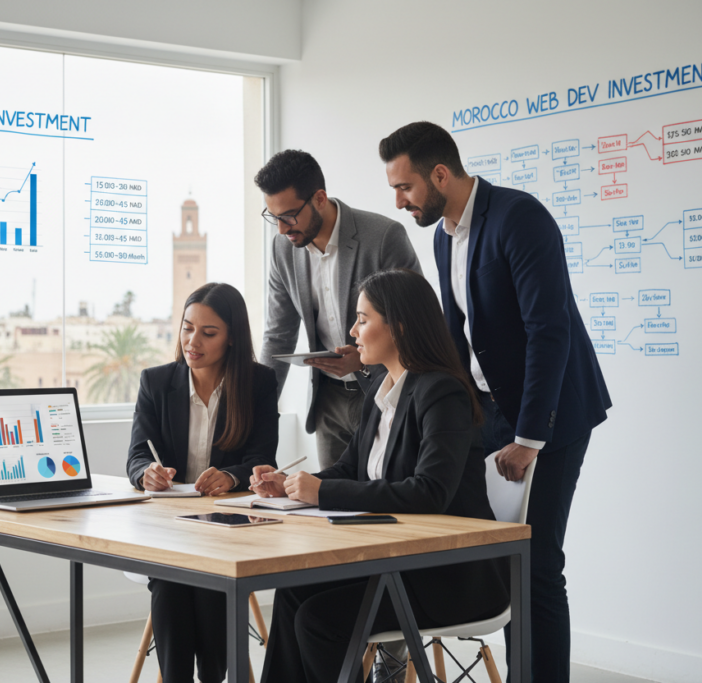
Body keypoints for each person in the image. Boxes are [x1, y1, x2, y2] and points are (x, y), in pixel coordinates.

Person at [379, 121, 612, 682]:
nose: (398, 200)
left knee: (535, 564)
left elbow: (548, 330)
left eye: (404, 187)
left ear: (440, 174)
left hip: (550, 412)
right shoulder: (441, 236)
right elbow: (458, 334)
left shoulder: (518, 217)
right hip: (488, 409)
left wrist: (530, 438)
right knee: (500, 559)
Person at [252, 268, 509, 683]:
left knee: (320, 620)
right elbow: (351, 469)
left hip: (450, 575)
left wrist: (323, 492)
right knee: (293, 593)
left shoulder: (443, 392)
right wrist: (290, 486)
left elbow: (429, 493)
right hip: (398, 562)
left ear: (399, 325)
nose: (353, 331)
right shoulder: (381, 389)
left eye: (363, 318)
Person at [126, 282, 279, 683]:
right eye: (187, 328)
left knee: (213, 582)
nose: (193, 341)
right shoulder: (156, 382)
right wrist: (147, 473)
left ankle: (212, 676)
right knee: (172, 579)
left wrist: (230, 476)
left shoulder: (259, 383)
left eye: (208, 333)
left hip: (228, 529)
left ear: (232, 338)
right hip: (169, 527)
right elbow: (137, 456)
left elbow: (263, 459)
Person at [255, 149, 422, 470]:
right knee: (331, 505)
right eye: (273, 217)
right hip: (327, 400)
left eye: (289, 216)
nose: (281, 229)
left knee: (384, 502)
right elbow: (278, 335)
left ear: (319, 198)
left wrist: (361, 360)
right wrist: (257, 407)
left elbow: (415, 322)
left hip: (383, 391)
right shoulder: (282, 249)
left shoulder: (383, 237)